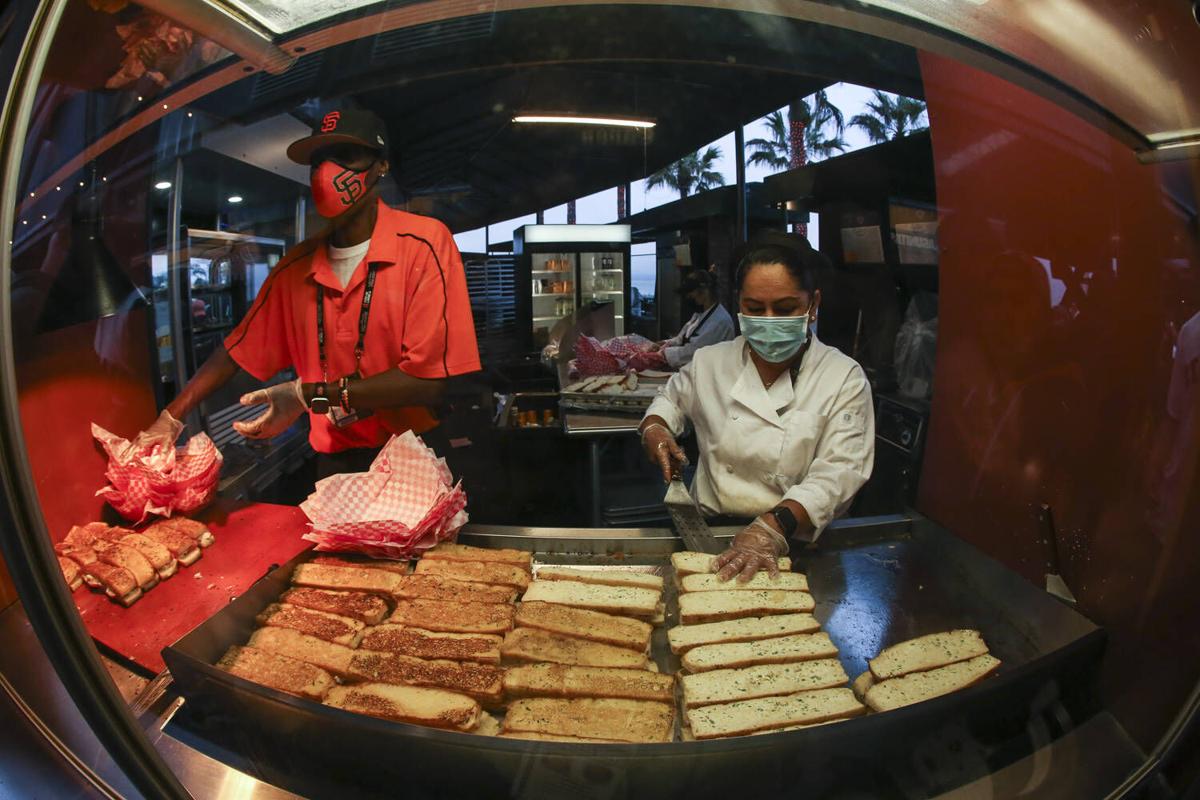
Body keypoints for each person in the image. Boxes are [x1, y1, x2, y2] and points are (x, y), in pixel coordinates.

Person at [135, 108, 480, 476]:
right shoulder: (295, 267)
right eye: (317, 161)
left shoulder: (423, 243)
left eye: (345, 157)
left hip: (415, 454)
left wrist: (305, 396)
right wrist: (171, 416)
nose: (326, 172)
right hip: (336, 461)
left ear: (380, 166)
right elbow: (234, 350)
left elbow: (427, 383)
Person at [639, 243, 875, 581]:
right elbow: (669, 399)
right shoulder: (711, 362)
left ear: (813, 305)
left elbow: (840, 472)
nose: (769, 321)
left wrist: (771, 528)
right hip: (707, 537)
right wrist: (655, 429)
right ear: (740, 307)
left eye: (784, 308)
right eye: (755, 308)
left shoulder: (842, 377)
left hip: (793, 542)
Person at [652, 268, 735, 368]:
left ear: (705, 291)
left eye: (690, 293)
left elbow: (695, 351)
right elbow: (681, 338)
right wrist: (664, 343)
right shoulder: (699, 314)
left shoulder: (720, 321)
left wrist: (663, 354)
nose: (688, 297)